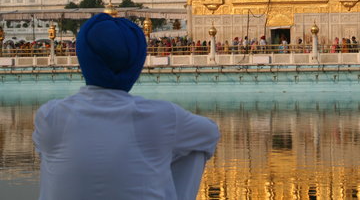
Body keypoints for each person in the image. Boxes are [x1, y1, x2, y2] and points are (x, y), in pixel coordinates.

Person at [33, 13, 220, 200]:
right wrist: (161, 156)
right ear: (136, 62)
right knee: (193, 148)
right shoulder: (163, 117)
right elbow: (210, 133)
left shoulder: (50, 116)